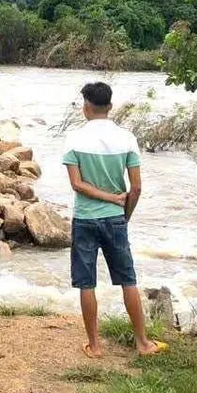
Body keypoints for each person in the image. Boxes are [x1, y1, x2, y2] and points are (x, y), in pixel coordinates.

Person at [63, 81, 167, 359]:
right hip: (115, 218)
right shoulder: (127, 138)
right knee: (127, 279)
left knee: (86, 283)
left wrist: (104, 199)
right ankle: (142, 342)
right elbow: (136, 188)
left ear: (86, 106)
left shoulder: (74, 138)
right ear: (110, 106)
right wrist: (123, 213)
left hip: (85, 217)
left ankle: (95, 346)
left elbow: (77, 184)